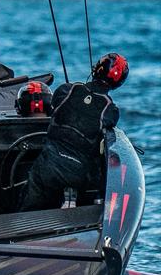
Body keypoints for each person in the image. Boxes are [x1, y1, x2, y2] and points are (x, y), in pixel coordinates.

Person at [20, 53, 128, 211]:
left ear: (96, 69)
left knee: (27, 208)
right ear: (118, 83)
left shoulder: (66, 90)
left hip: (48, 165)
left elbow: (54, 109)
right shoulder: (111, 110)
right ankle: (71, 200)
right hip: (78, 174)